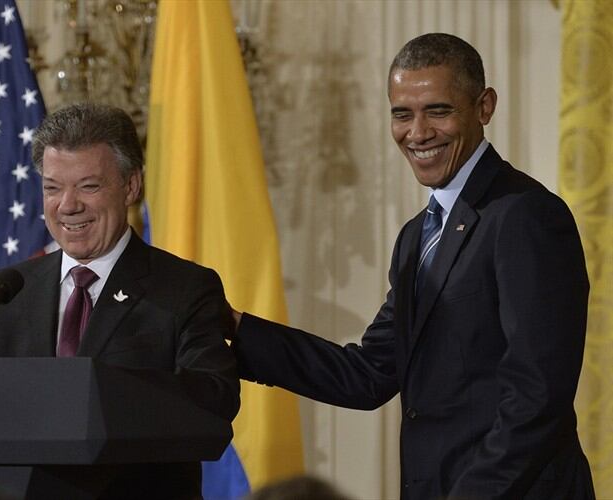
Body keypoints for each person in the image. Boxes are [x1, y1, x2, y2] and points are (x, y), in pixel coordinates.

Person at [229, 33, 594, 499]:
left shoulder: (525, 215)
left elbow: (537, 398)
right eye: (402, 114)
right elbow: (368, 374)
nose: (417, 133)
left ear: (484, 107)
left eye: (437, 111)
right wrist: (236, 327)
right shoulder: (416, 236)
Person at [0, 102, 240, 498]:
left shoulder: (184, 289)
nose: (67, 205)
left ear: (130, 185)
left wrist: (97, 393)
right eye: (52, 188)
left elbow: (215, 400)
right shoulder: (6, 292)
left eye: (88, 186)